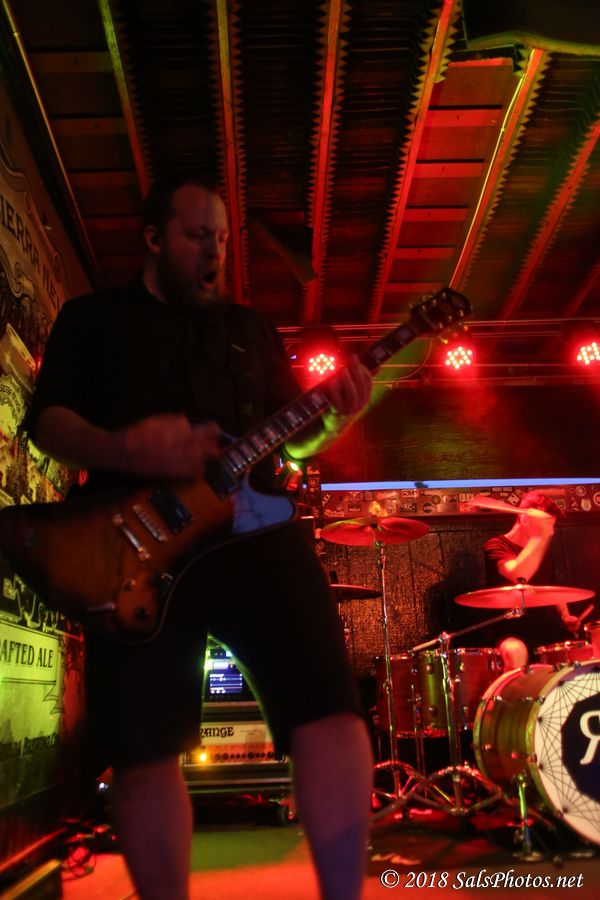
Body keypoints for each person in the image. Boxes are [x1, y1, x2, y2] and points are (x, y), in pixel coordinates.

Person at [23, 178, 374, 900]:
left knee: (331, 710)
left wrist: (336, 419)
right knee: (144, 747)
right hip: (136, 545)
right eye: (197, 235)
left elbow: (294, 443)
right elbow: (48, 425)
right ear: (154, 238)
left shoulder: (250, 331)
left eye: (221, 238)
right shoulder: (92, 319)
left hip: (255, 532)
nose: (215, 251)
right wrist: (125, 447)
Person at [483, 491, 580, 669]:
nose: (550, 532)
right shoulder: (496, 545)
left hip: (546, 629)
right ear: (524, 518)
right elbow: (519, 574)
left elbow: (551, 589)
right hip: (510, 631)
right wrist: (540, 536)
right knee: (515, 652)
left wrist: (566, 616)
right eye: (545, 525)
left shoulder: (543, 551)